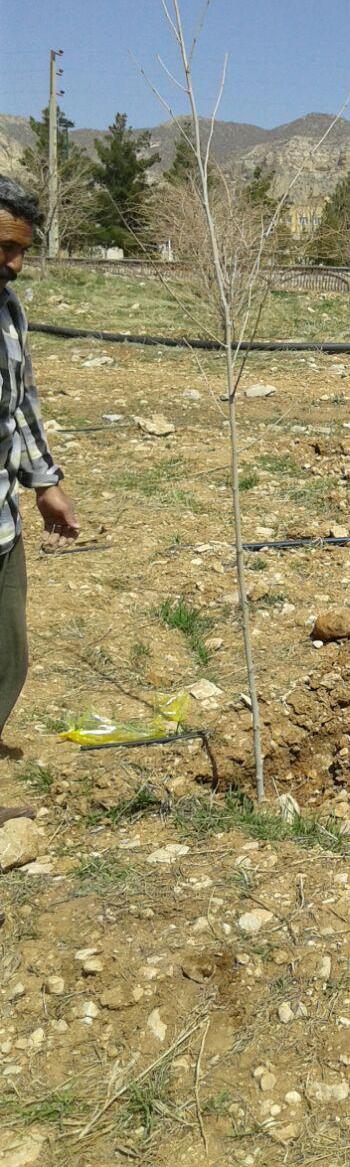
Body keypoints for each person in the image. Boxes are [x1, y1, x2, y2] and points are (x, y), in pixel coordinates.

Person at [0, 176, 79, 816]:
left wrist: (45, 484)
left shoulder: (8, 310)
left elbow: (20, 407)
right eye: (3, 245)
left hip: (0, 520)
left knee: (8, 655)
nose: (14, 263)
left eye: (22, 249)